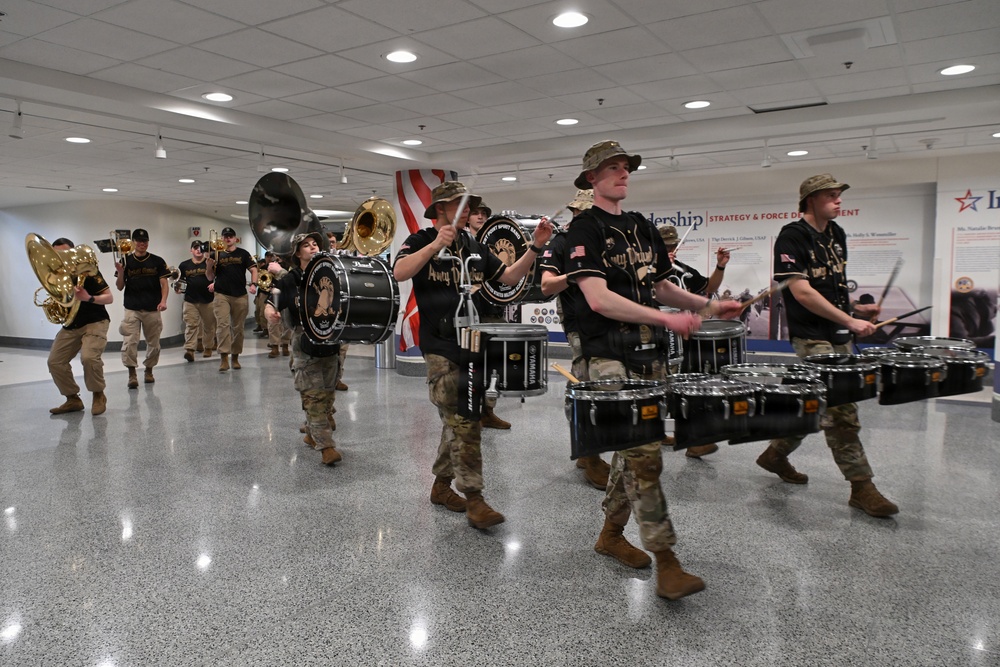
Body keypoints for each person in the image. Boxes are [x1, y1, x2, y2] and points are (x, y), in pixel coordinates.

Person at [565, 140, 743, 600]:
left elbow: (661, 286)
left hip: (647, 353)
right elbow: (599, 299)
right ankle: (667, 561)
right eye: (612, 168)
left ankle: (609, 534)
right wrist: (666, 320)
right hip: (604, 355)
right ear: (591, 178)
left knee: (631, 451)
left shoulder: (641, 226)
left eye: (626, 167)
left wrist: (709, 304)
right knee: (645, 455)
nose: (623, 174)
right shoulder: (583, 230)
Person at [393, 181, 552, 529]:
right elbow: (400, 271)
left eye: (470, 205)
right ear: (439, 210)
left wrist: (535, 247)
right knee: (465, 420)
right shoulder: (421, 240)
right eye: (459, 204)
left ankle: (439, 486)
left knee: (459, 420)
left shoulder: (474, 244)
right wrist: (436, 244)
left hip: (473, 344)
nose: (468, 210)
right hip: (440, 345)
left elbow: (508, 276)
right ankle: (475, 499)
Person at [761, 173, 898, 518]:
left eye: (840, 195)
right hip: (812, 337)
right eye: (832, 196)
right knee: (840, 410)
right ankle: (861, 487)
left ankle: (776, 454)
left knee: (815, 405)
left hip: (840, 336)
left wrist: (854, 310)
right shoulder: (792, 237)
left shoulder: (837, 235)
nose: (839, 201)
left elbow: (832, 289)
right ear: (811, 200)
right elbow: (802, 291)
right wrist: (850, 320)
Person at [540, 188, 612, 489]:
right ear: (576, 212)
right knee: (584, 385)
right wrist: (574, 274)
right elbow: (546, 286)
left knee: (603, 386)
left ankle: (589, 449)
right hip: (578, 324)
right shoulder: (561, 242)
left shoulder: (604, 240)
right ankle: (589, 454)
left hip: (606, 321)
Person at [264, 232, 343, 466]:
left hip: (330, 341)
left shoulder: (332, 274)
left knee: (328, 394)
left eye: (315, 244)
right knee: (313, 396)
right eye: (306, 246)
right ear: (298, 253)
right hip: (304, 342)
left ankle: (311, 432)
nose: (313, 247)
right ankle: (326, 447)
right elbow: (272, 302)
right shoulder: (291, 279)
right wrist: (271, 313)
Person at [658, 224, 731, 459]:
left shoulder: (683, 271)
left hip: (681, 338)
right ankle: (682, 437)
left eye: (673, 245)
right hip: (656, 336)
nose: (672, 249)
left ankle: (688, 439)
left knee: (677, 385)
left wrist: (720, 266)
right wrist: (658, 266)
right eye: (666, 246)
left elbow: (709, 286)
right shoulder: (645, 270)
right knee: (661, 387)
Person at [47, 238, 114, 416]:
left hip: (95, 320)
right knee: (55, 361)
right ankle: (72, 399)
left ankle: (98, 394)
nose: (61, 257)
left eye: (65, 253)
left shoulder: (87, 271)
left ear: (73, 252)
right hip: (72, 323)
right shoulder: (56, 276)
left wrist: (88, 298)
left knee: (89, 358)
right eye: (57, 254)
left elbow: (109, 298)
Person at [466, 201, 511, 430]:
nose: (480, 216)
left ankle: (489, 411)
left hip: (494, 311)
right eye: (476, 213)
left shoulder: (493, 245)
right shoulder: (463, 245)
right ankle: (473, 412)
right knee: (474, 367)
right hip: (473, 313)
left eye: (484, 213)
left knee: (495, 366)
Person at [115, 228, 169, 387]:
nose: (142, 244)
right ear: (133, 242)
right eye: (138, 241)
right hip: (132, 308)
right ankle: (132, 374)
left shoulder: (157, 261)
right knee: (130, 342)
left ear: (148, 242)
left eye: (144, 241)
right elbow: (119, 287)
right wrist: (120, 272)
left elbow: (164, 284)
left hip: (153, 308)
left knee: (154, 342)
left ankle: (149, 370)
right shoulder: (126, 261)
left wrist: (164, 301)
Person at [206, 227, 258, 372]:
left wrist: (254, 284)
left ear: (235, 239)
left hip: (240, 294)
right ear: (222, 238)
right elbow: (210, 277)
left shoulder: (243, 254)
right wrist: (209, 266)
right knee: (222, 325)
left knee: (238, 328)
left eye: (231, 236)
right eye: (225, 236)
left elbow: (254, 269)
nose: (228, 239)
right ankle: (224, 357)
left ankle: (235, 356)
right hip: (221, 294)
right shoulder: (215, 254)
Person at [176, 240, 216, 362]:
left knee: (209, 326)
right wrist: (178, 288)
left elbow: (217, 277)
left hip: (208, 299)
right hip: (190, 300)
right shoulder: (184, 265)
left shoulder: (210, 262)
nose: (198, 250)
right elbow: (180, 280)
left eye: (200, 248)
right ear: (191, 250)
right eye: (195, 248)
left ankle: (208, 347)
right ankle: (190, 350)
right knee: (191, 325)